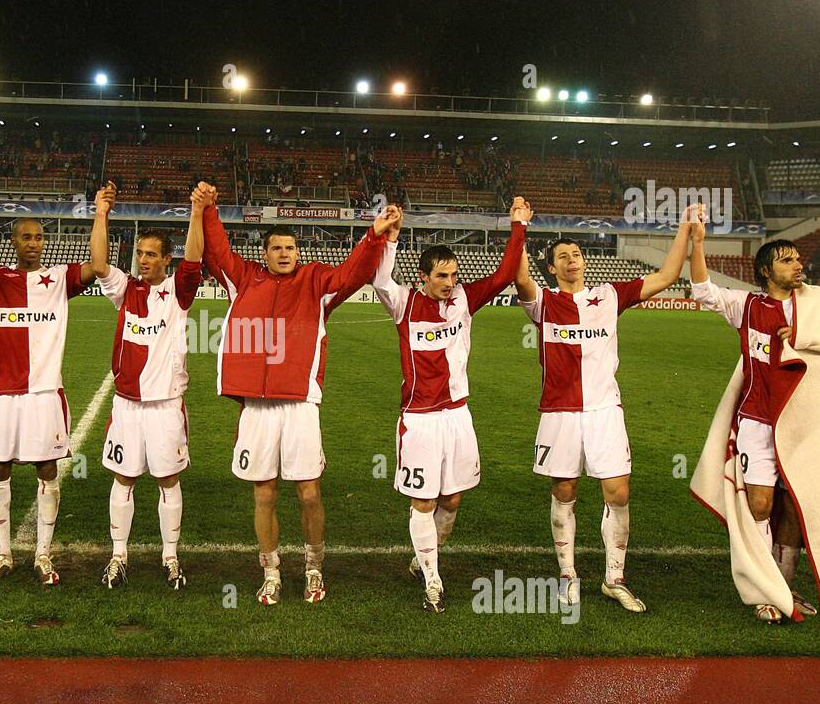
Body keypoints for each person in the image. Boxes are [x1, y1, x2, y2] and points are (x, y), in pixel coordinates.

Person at [200, 182, 397, 605]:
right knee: (264, 492)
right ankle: (270, 569)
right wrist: (210, 209)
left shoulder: (317, 282)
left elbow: (354, 273)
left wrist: (374, 235)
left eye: (291, 247)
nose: (285, 253)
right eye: (277, 248)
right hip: (257, 405)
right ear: (265, 253)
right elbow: (217, 252)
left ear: (298, 252)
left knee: (309, 491)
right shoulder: (244, 278)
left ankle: (313, 567)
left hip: (301, 404)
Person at [512, 205, 697, 613]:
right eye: (563, 256)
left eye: (576, 253)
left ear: (584, 260)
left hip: (604, 411)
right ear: (552, 267)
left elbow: (666, 277)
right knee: (565, 491)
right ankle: (568, 576)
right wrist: (519, 225)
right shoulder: (542, 302)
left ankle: (614, 579)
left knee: (618, 492)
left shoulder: (610, 296)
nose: (572, 259)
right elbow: (519, 274)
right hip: (559, 413)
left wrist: (684, 229)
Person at [688, 231, 820, 622]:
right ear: (766, 271)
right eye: (787, 260)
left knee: (796, 506)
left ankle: (782, 587)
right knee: (761, 504)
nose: (798, 265)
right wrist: (698, 243)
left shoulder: (816, 306)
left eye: (799, 259)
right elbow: (702, 289)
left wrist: (802, 336)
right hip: (756, 422)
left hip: (804, 426)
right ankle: (767, 590)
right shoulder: (746, 306)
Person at [371, 196, 529, 612]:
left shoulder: (464, 300)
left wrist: (518, 226)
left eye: (454, 275)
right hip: (421, 418)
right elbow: (380, 280)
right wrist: (390, 238)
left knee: (453, 500)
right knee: (423, 501)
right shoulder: (405, 304)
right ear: (423, 277)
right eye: (442, 276)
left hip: (458, 415)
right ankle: (433, 581)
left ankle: (424, 559)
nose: (449, 282)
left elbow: (504, 274)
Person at [0, 217, 96, 585]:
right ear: (13, 241)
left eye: (39, 237)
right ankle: (3, 554)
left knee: (47, 471)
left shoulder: (59, 277)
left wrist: (101, 213)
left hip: (44, 394)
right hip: (1, 395)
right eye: (26, 236)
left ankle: (43, 555)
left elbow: (96, 265)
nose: (34, 242)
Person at [89, 181, 205, 590]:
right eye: (139, 253)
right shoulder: (127, 290)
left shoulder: (178, 293)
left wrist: (196, 213)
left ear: (166, 260)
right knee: (123, 479)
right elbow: (100, 264)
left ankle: (170, 557)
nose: (142, 261)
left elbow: (195, 258)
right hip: (126, 406)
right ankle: (118, 555)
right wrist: (101, 213)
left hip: (165, 406)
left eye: (151, 255)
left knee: (168, 480)